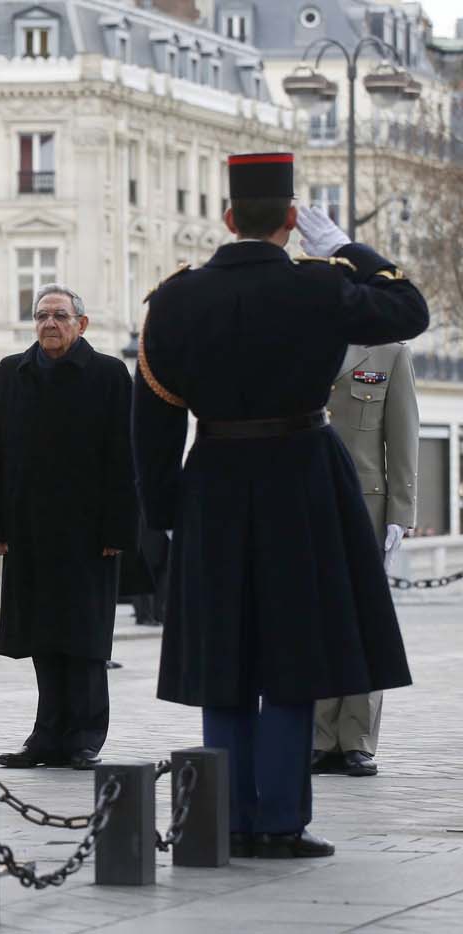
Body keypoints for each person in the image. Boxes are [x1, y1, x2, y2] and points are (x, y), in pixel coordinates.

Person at [133, 153, 427, 859]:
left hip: (216, 481)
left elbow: (155, 422)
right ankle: (280, 819)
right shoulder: (321, 287)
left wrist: (169, 511)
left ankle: (225, 818)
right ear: (291, 220)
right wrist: (343, 248)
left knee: (224, 658)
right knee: (295, 654)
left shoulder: (174, 300)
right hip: (303, 479)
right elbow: (409, 310)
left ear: (227, 218)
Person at [0, 283, 138, 772]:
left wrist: (119, 529)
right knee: (42, 638)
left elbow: (124, 457)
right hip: (29, 529)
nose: (50, 324)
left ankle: (85, 735)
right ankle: (47, 735)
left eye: (60, 316)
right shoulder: (10, 373)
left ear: (81, 324)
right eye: (42, 316)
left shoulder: (109, 375)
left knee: (85, 639)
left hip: (88, 534)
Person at [312, 342, 418, 779]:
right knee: (315, 619)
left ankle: (356, 739)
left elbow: (403, 433)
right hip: (310, 499)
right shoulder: (304, 339)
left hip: (366, 506)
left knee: (363, 620)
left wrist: (402, 511)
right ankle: (319, 737)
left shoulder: (390, 353)